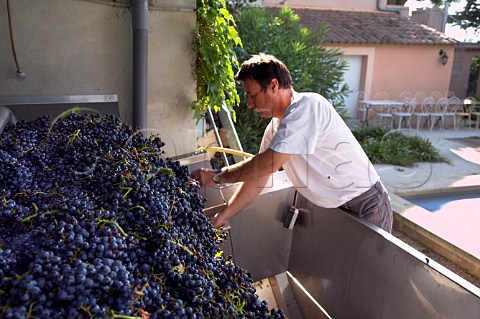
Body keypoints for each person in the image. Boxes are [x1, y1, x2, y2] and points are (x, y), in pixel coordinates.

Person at [190, 53, 393, 233]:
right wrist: (223, 216)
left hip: (367, 205)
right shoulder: (274, 129)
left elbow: (269, 163)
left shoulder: (308, 107)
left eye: (253, 95)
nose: (250, 104)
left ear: (274, 85)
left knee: (365, 275)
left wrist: (218, 177)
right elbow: (258, 178)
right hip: (338, 207)